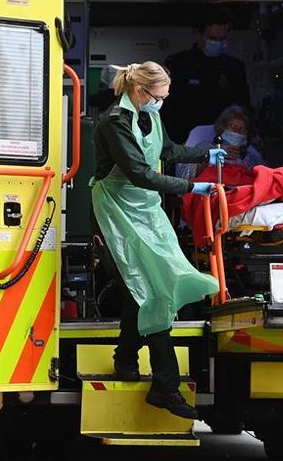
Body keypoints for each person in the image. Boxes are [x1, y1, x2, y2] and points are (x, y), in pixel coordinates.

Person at [91, 61, 224, 419]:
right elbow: (139, 173)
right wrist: (190, 187)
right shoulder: (114, 123)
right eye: (158, 96)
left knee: (149, 289)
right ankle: (165, 385)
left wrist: (204, 153)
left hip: (147, 210)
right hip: (116, 211)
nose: (161, 102)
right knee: (145, 290)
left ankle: (129, 362)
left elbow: (168, 151)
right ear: (139, 91)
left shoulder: (149, 115)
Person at [161, 8, 251, 143]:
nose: (218, 43)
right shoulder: (179, 65)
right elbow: (168, 109)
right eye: (213, 39)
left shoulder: (234, 68)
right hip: (184, 138)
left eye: (222, 39)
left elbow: (243, 107)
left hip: (225, 140)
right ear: (197, 35)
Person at [177, 104, 265, 179]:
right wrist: (210, 157)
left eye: (242, 129)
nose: (237, 132)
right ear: (223, 127)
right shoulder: (205, 148)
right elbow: (184, 176)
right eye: (233, 127)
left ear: (247, 134)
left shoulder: (251, 158)